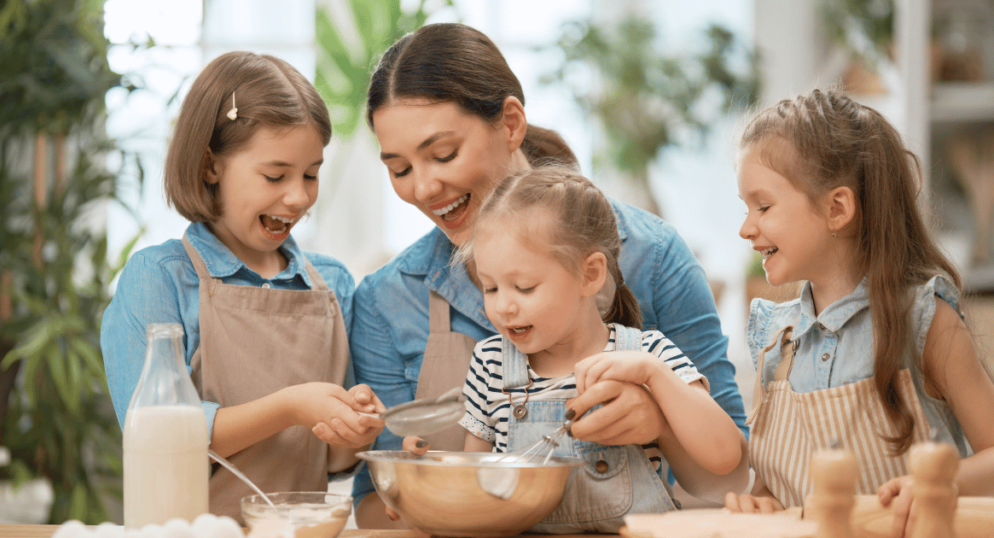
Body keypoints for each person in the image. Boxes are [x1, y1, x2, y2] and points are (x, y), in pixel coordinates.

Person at [350, 22, 748, 527]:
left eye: (443, 153)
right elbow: (371, 506)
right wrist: (420, 487)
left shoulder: (654, 256)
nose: (425, 188)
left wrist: (660, 422)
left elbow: (735, 481)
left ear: (511, 122)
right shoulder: (387, 299)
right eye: (400, 169)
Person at [101, 51, 385, 521]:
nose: (298, 197)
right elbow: (156, 436)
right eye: (275, 175)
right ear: (211, 166)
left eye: (311, 174)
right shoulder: (160, 279)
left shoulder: (330, 283)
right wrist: (292, 406)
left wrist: (355, 428)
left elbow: (334, 462)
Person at [726, 89, 994, 536]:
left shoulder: (924, 321)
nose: (745, 227)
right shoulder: (777, 340)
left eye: (764, 206)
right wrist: (760, 505)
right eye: (745, 207)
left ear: (837, 208)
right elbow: (775, 490)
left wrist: (941, 483)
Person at [454, 167, 746, 533]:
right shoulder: (490, 362)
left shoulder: (648, 353)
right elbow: (472, 482)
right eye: (491, 288)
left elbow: (725, 458)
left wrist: (655, 377)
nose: (503, 307)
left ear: (590, 274)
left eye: (524, 287)